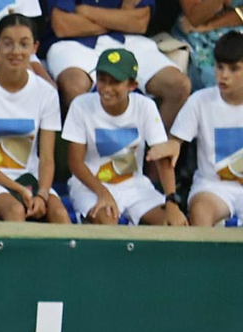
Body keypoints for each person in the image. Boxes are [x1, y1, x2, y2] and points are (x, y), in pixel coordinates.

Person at [0, 13, 69, 222]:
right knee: (15, 210)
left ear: (34, 48)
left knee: (60, 214)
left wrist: (42, 195)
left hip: (29, 178)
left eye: (23, 44)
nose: (16, 51)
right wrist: (20, 190)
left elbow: (47, 158)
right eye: (8, 44)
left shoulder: (46, 93)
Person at [63, 47, 183, 224]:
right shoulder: (80, 105)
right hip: (90, 187)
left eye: (115, 82)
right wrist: (103, 193)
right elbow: (75, 162)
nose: (106, 88)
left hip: (135, 187)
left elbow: (162, 155)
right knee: (108, 223)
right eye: (102, 80)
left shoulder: (145, 106)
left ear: (132, 85)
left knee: (174, 224)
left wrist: (172, 202)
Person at [48, 0, 191, 130]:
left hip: (128, 40)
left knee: (179, 85)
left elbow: (139, 23)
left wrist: (85, 11)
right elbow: (63, 25)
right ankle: (93, 148)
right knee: (74, 86)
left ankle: (154, 148)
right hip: (73, 43)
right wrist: (120, 18)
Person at [168, 30, 243, 224]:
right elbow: (173, 145)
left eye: (234, 69)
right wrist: (170, 200)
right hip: (212, 187)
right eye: (220, 67)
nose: (223, 76)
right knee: (200, 212)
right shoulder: (200, 101)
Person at [177, 0, 243, 91]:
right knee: (215, 76)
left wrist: (211, 25)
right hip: (199, 35)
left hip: (234, 28)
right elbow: (195, 18)